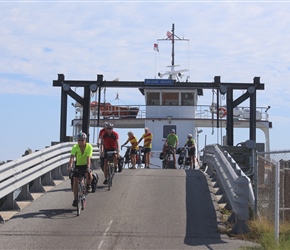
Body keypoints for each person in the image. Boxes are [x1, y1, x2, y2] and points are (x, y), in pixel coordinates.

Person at [67, 131, 93, 207]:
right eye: (79, 140)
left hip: (86, 164)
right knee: (75, 181)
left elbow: (88, 158)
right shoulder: (75, 147)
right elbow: (72, 157)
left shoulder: (89, 147)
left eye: (82, 140)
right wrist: (70, 166)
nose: (81, 142)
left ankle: (89, 185)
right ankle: (75, 198)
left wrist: (88, 167)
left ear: (85, 140)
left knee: (89, 174)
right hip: (78, 165)